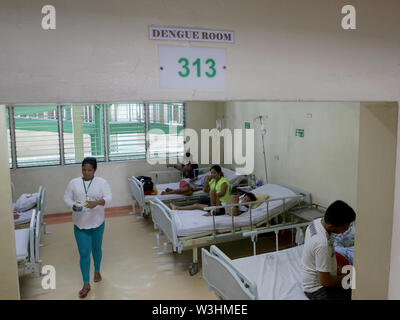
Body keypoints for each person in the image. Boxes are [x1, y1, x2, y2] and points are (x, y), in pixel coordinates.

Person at [64, 157, 112, 299]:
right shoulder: (74, 183)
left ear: (94, 170)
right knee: (84, 253)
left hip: (97, 223)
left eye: (89, 170)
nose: (86, 172)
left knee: (96, 249)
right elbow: (66, 198)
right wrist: (71, 205)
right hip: (80, 224)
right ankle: (86, 283)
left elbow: (109, 197)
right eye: (84, 169)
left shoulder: (101, 182)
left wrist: (97, 202)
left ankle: (97, 270)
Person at [301, 200, 356, 300]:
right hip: (317, 289)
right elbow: (325, 282)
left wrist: (339, 270)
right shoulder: (322, 244)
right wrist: (347, 277)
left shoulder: (317, 222)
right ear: (332, 226)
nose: (347, 229)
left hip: (320, 275)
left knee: (356, 285)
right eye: (345, 226)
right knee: (356, 293)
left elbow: (328, 256)